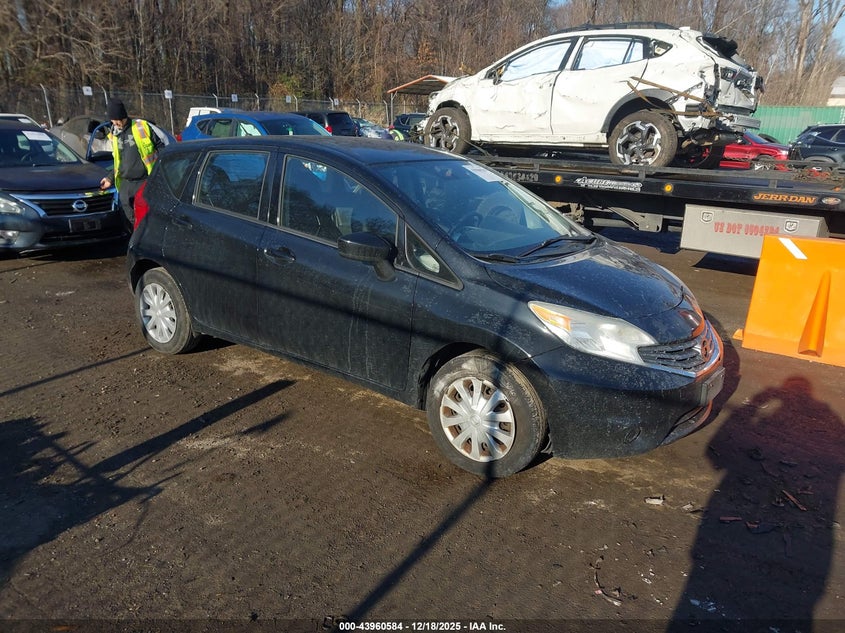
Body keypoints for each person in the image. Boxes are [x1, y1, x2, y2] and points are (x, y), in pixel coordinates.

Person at [99, 98, 164, 230]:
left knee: (146, 217)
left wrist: (161, 169)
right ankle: (133, 241)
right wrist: (110, 178)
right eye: (113, 120)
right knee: (129, 220)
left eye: (117, 119)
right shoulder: (114, 135)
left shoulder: (141, 127)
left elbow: (161, 147)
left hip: (144, 181)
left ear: (123, 116)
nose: (115, 123)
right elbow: (119, 163)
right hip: (125, 184)